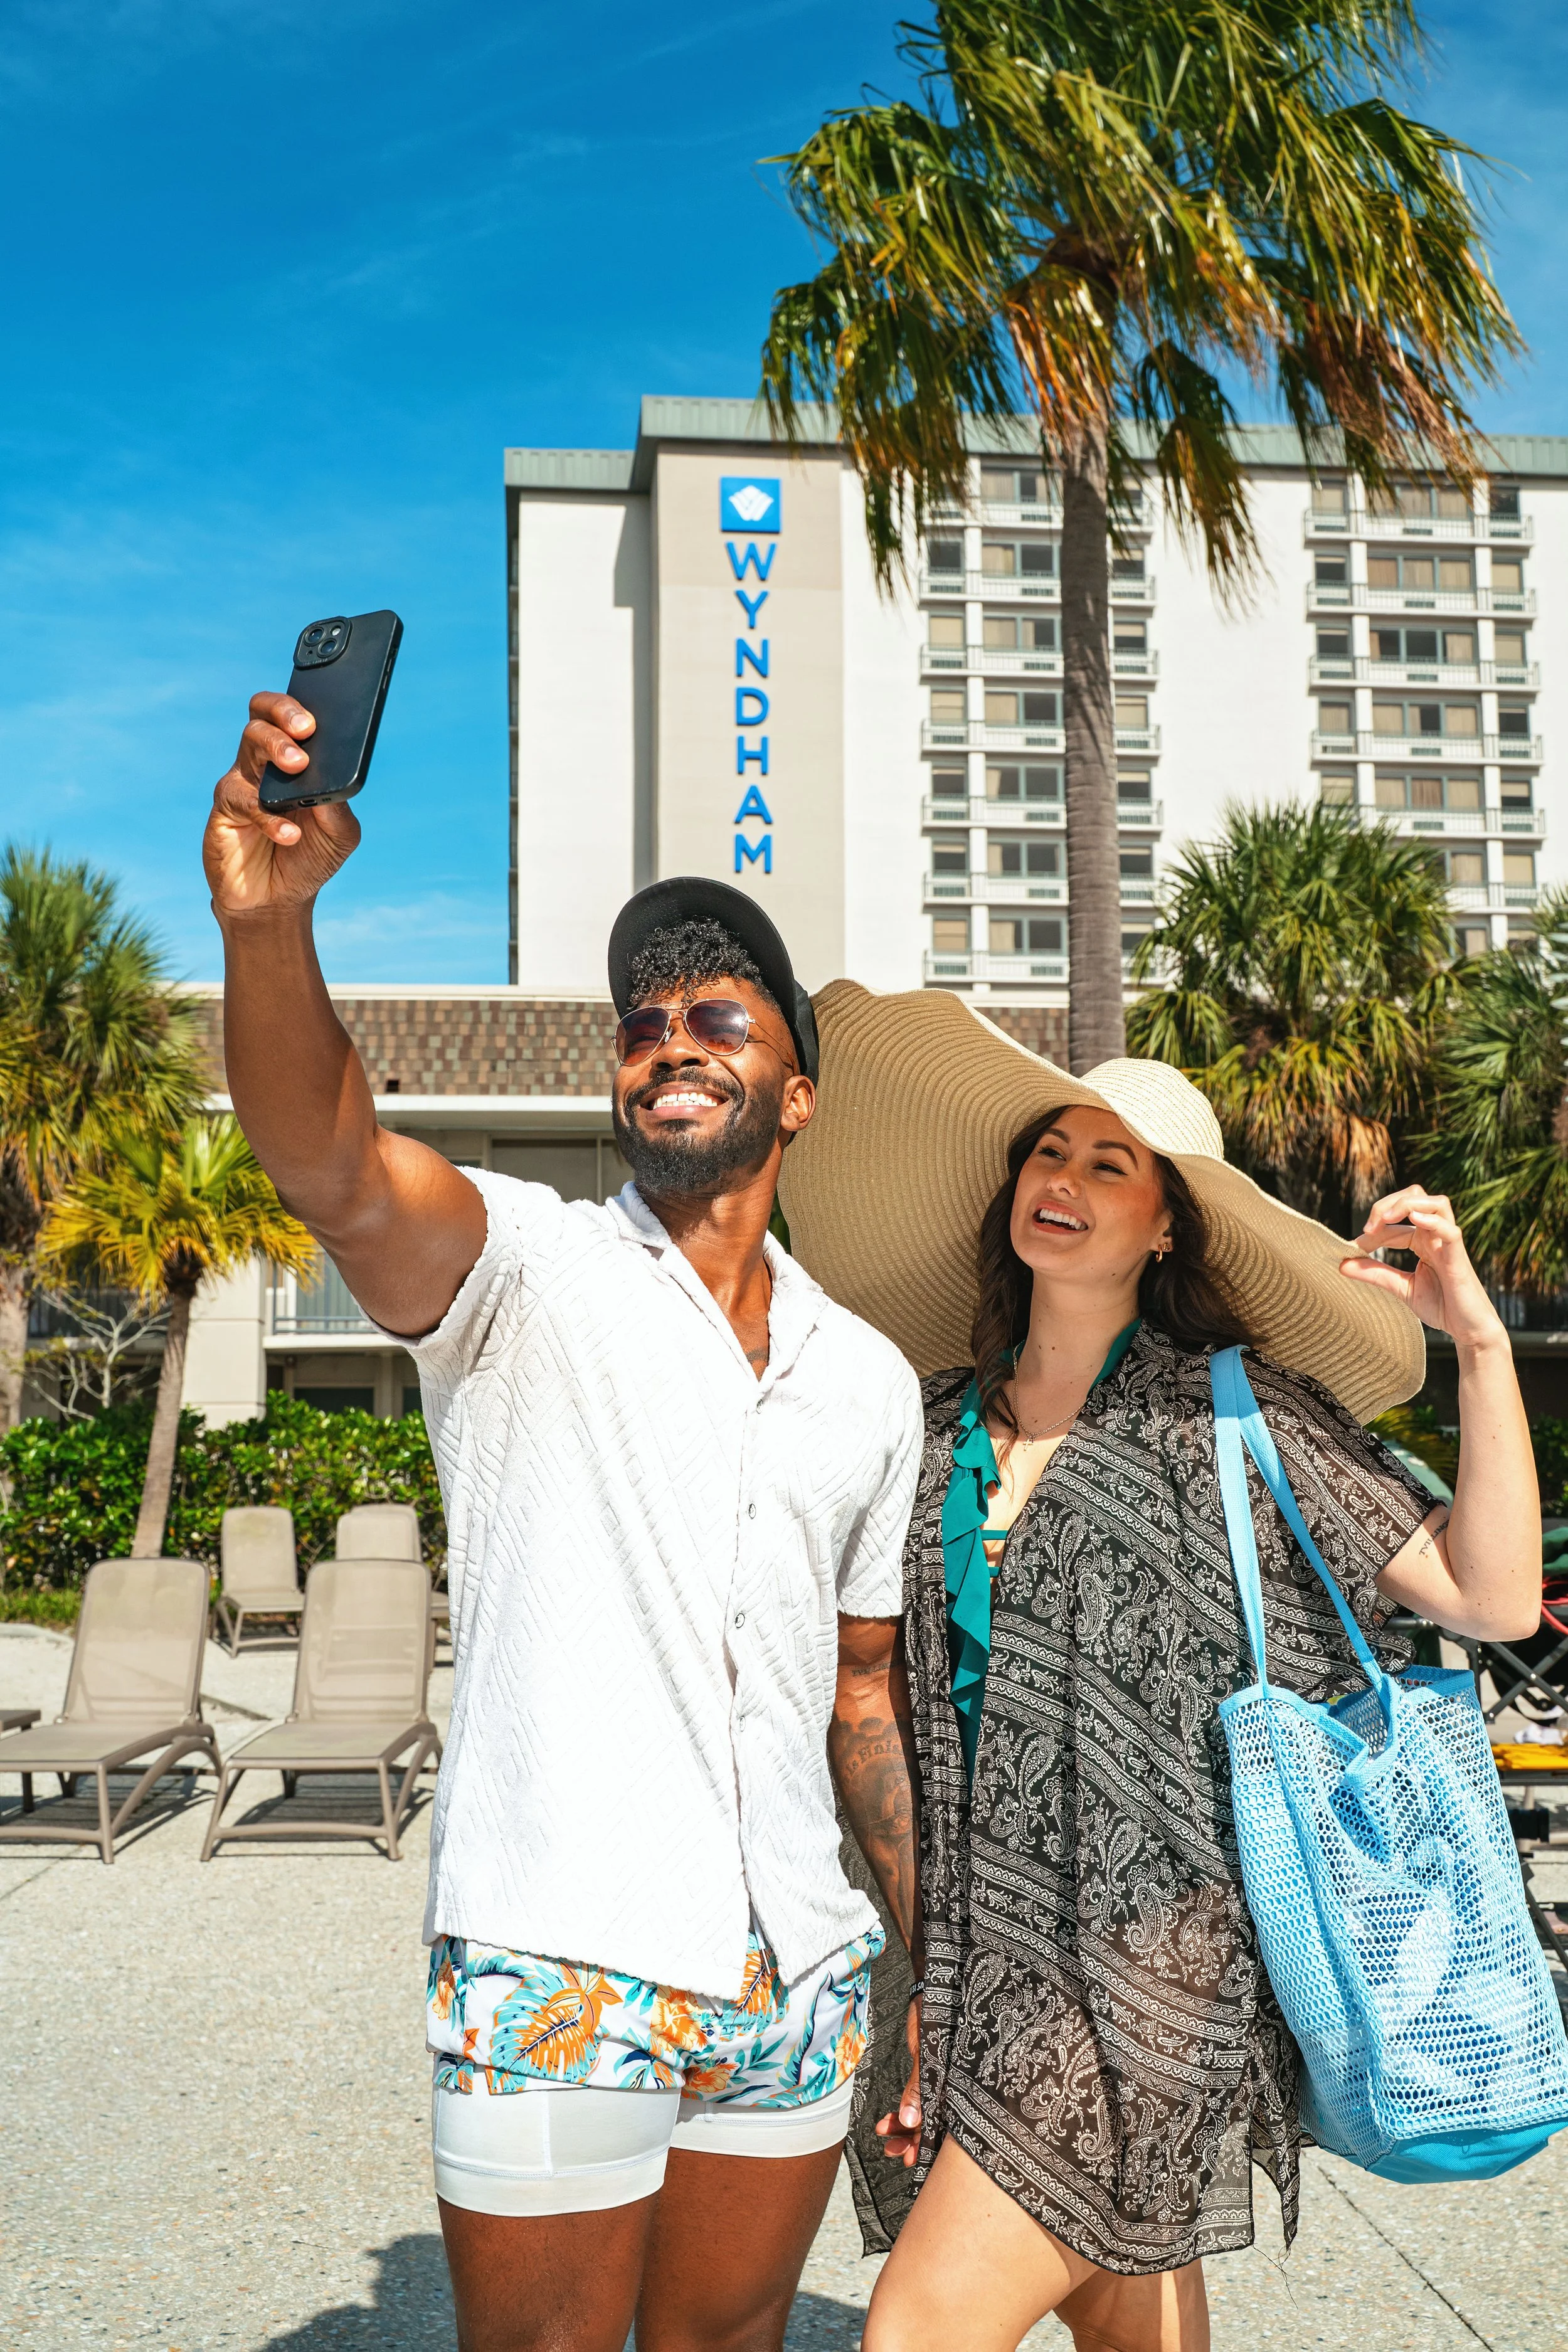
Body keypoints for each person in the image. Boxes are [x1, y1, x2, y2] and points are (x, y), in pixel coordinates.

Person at [201, 698, 924, 2352]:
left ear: (795, 1094)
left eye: (718, 1015)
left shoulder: (868, 1378)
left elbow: (862, 1695)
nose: (669, 1035)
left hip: (798, 1973)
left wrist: (919, 1960)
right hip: (559, 1958)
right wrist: (271, 924)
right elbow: (332, 1165)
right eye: (642, 1019)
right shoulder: (520, 1268)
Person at [773, 982, 1543, 2352]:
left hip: (1154, 1968)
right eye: (1047, 1154)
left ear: (1166, 1218)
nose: (1060, 1180)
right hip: (968, 1966)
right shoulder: (929, 1421)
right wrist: (907, 1973)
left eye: (1106, 1163)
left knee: (909, 2335)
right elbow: (862, 1694)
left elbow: (1484, 1595)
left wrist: (1474, 1343)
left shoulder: (1232, 1414)